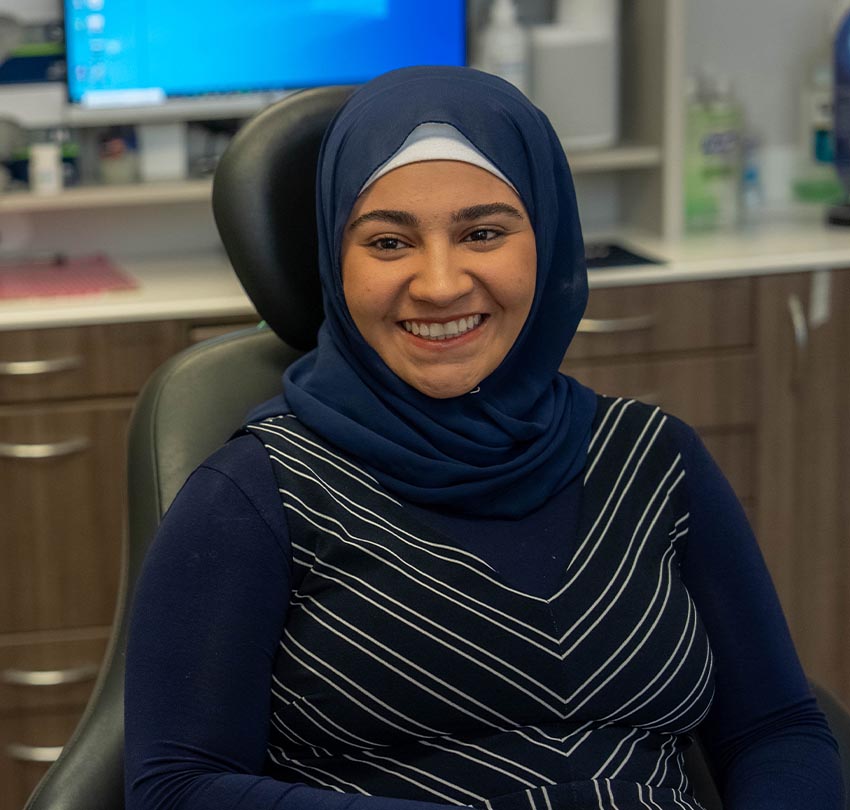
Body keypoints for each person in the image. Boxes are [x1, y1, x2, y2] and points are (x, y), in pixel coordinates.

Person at [124, 66, 844, 810]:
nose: (439, 284)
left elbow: (776, 729)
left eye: (483, 233)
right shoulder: (253, 496)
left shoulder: (654, 459)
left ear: (548, 241)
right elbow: (176, 788)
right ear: (336, 264)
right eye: (389, 242)